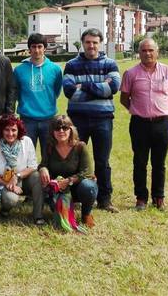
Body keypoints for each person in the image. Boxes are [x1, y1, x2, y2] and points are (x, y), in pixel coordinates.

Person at [63, 28, 120, 213]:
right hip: (77, 120)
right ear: (83, 43)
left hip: (103, 120)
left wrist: (84, 86)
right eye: (88, 42)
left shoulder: (110, 64)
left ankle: (105, 199)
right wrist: (99, 89)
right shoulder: (72, 65)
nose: (91, 46)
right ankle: (74, 197)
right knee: (74, 160)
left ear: (100, 43)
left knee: (102, 161)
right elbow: (70, 92)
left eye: (95, 42)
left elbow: (113, 88)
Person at [120, 38, 168, 211]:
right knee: (139, 162)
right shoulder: (130, 73)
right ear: (139, 53)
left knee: (159, 163)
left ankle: (158, 198)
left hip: (162, 124)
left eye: (151, 50)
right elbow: (124, 98)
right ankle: (140, 198)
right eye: (144, 50)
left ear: (157, 52)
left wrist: (162, 108)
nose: (147, 53)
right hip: (139, 124)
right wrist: (139, 110)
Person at [37, 115, 98, 228]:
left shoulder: (80, 146)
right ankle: (62, 210)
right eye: (57, 128)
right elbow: (43, 164)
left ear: (71, 129)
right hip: (58, 189)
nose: (61, 131)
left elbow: (87, 172)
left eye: (65, 128)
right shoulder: (50, 147)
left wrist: (68, 181)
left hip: (77, 187)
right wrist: (42, 168)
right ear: (52, 131)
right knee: (53, 207)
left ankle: (86, 214)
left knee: (89, 187)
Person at [0, 114, 44, 224]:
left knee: (37, 176)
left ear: (19, 130)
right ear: (1, 130)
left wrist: (17, 176)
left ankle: (38, 215)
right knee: (10, 200)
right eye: (7, 130)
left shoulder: (26, 141)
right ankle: (5, 210)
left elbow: (32, 166)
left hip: (24, 178)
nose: (10, 133)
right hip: (5, 181)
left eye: (13, 130)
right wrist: (7, 184)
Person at [13, 33, 62, 158]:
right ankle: (29, 178)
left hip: (49, 119)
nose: (37, 50)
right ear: (29, 49)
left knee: (49, 155)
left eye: (40, 46)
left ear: (45, 48)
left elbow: (56, 91)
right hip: (27, 119)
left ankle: (48, 178)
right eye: (33, 47)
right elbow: (16, 92)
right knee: (25, 156)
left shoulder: (55, 69)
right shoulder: (19, 70)